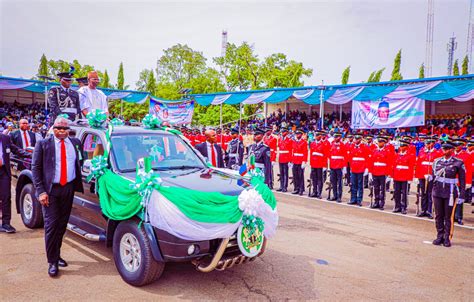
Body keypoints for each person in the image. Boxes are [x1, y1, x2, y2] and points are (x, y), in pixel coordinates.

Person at [31, 116, 84, 277]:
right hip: (50, 191)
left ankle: (57, 254)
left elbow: (81, 161)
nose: (61, 131)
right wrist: (41, 191)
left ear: (69, 130)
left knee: (62, 225)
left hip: (68, 188)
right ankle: (52, 261)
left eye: (64, 128)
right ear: (53, 128)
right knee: (51, 226)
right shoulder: (43, 144)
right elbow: (36, 168)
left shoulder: (75, 143)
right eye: (58, 128)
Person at [432, 141, 466, 248]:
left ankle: (447, 237)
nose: (444, 151)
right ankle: (439, 235)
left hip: (450, 193)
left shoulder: (458, 163)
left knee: (448, 216)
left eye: (447, 149)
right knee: (438, 215)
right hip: (437, 191)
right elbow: (434, 177)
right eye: (443, 149)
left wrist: (462, 195)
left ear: (452, 150)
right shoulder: (437, 161)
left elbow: (462, 180)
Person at [0, 133, 31, 233]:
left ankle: (6, 224)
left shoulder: (5, 138)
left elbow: (16, 150)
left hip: (4, 172)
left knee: (6, 197)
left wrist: (32, 155)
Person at [414, 136, 442, 218]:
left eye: (429, 143)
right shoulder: (421, 152)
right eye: (426, 143)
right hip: (422, 176)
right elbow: (418, 164)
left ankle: (429, 210)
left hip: (431, 176)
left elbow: (438, 167)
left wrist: (433, 175)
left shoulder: (437, 153)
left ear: (433, 143)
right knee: (423, 193)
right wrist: (417, 176)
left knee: (430, 193)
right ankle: (423, 209)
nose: (427, 145)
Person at [368, 136, 393, 210]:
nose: (379, 143)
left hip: (383, 172)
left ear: (384, 143)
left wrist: (389, 174)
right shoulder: (375, 151)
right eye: (378, 142)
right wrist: (370, 172)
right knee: (376, 188)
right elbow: (371, 162)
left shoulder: (387, 152)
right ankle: (376, 202)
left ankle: (381, 203)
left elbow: (389, 163)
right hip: (375, 171)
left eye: (381, 142)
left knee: (382, 189)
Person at [392, 139, 415, 214]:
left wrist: (410, 178)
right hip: (397, 176)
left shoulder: (410, 155)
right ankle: (397, 206)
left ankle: (404, 207)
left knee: (404, 193)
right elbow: (394, 166)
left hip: (405, 176)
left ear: (406, 147)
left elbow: (411, 167)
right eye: (400, 146)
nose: (401, 148)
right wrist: (392, 175)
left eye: (403, 146)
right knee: (397, 192)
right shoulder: (397, 155)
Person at [347, 134, 370, 206]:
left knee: (360, 185)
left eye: (358, 139)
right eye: (355, 139)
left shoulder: (365, 147)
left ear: (360, 139)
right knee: (353, 185)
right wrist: (350, 167)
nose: (356, 140)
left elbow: (367, 158)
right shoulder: (352, 147)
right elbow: (350, 158)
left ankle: (359, 200)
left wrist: (366, 168)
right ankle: (353, 199)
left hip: (361, 168)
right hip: (354, 168)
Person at [309, 130, 329, 198]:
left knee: (320, 179)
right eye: (316, 136)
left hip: (320, 164)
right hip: (314, 164)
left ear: (320, 136)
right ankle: (314, 191)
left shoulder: (323, 144)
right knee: (314, 179)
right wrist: (311, 163)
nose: (316, 137)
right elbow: (311, 154)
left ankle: (319, 192)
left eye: (318, 136)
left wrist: (324, 166)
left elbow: (325, 155)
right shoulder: (312, 143)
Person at [329, 132, 347, 202]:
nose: (337, 138)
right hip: (333, 166)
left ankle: (339, 196)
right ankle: (334, 195)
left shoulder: (342, 145)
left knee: (339, 183)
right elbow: (330, 155)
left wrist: (344, 167)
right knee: (333, 182)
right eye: (336, 137)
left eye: (338, 137)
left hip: (339, 166)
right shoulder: (332, 144)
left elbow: (345, 156)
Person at [291, 129, 308, 195]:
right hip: (295, 160)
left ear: (301, 135)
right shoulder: (294, 142)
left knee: (300, 176)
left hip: (300, 161)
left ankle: (301, 189)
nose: (297, 135)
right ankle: (296, 188)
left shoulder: (304, 142)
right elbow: (293, 152)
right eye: (297, 134)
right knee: (295, 175)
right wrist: (292, 160)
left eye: (299, 134)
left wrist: (304, 161)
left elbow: (305, 152)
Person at [276, 127, 292, 192]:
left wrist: (290, 160)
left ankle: (285, 187)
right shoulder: (279, 139)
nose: (282, 133)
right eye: (282, 132)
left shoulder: (289, 140)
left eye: (284, 132)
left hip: (286, 158)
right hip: (281, 158)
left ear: (287, 133)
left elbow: (290, 151)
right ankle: (281, 186)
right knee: (281, 173)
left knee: (285, 173)